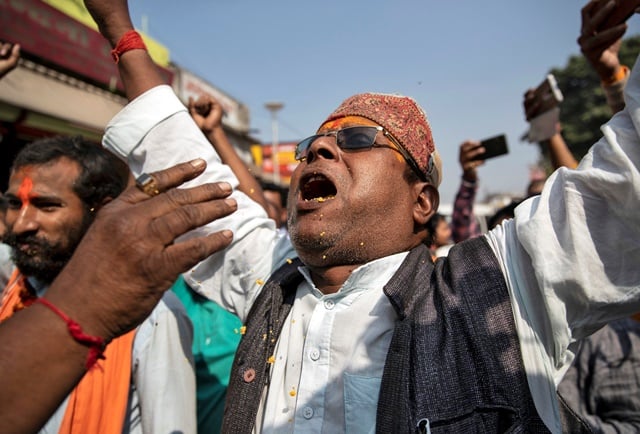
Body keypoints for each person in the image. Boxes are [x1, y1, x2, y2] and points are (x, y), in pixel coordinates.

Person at [85, 0, 640, 432]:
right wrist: (119, 29)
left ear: (422, 201)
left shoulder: (503, 285)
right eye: (312, 144)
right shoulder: (271, 279)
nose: (318, 153)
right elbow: (188, 161)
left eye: (356, 138)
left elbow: (627, 181)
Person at [0, 158, 238, 433]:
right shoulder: (15, 291)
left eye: (47, 206)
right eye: (13, 204)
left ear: (100, 212)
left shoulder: (154, 313)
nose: (22, 224)